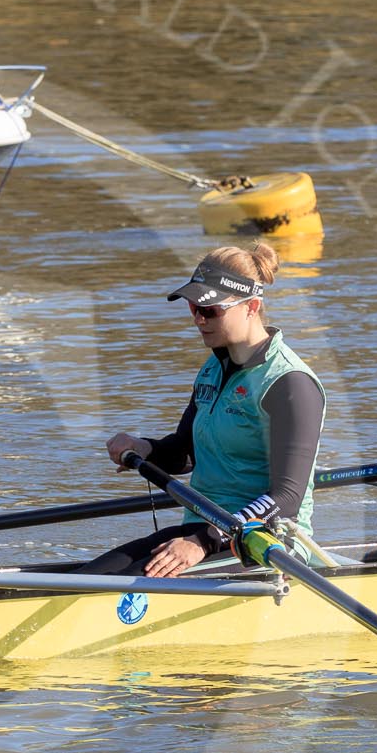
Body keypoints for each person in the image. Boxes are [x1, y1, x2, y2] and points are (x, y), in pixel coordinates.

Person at [83, 241, 325, 576]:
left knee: (112, 589)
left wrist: (204, 540)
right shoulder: (213, 369)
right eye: (194, 308)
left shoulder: (290, 384)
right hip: (204, 530)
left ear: (252, 306)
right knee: (87, 578)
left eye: (210, 310)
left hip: (264, 544)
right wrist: (145, 448)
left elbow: (286, 497)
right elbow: (185, 454)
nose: (198, 319)